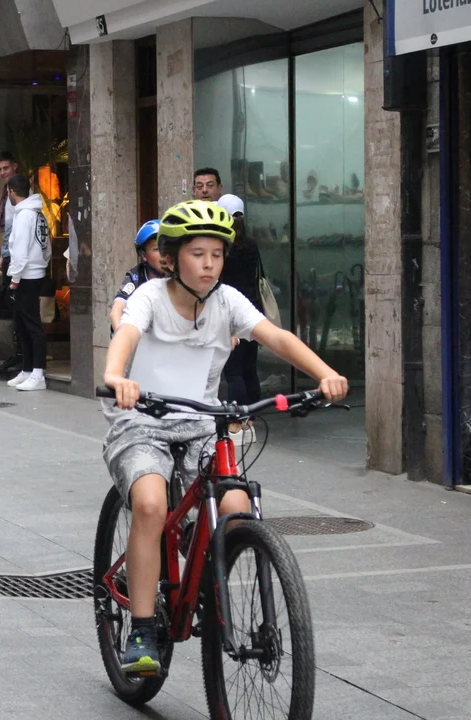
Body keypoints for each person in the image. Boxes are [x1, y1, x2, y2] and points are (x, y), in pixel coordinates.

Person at [102, 199, 348, 676]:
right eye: (197, 254)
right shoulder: (150, 296)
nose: (209, 264)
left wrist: (325, 374)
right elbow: (126, 335)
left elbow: (276, 337)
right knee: (151, 504)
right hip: (142, 420)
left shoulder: (227, 301)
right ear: (171, 257)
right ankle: (143, 628)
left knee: (236, 508)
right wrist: (116, 377)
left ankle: (199, 566)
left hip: (202, 422)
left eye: (216, 254)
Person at [216, 194, 263, 444]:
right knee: (248, 368)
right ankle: (250, 420)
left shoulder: (225, 247)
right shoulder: (251, 244)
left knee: (233, 372)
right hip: (253, 310)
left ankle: (235, 423)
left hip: (231, 312)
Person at [4, 173, 51, 392]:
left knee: (31, 324)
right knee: (22, 323)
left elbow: (20, 250)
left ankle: (38, 373)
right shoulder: (37, 214)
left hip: (26, 275)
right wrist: (42, 263)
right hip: (34, 271)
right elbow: (46, 245)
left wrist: (14, 279)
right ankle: (27, 369)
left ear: (11, 192)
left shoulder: (24, 216)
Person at [0, 150, 23, 375]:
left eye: (6, 168)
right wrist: (3, 256)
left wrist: (6, 256)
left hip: (17, 257)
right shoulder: (6, 192)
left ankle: (22, 356)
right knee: (13, 309)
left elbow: (14, 228)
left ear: (15, 166)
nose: (3, 172)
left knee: (19, 308)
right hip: (10, 254)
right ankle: (18, 353)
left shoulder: (16, 193)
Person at [109, 220, 165, 332]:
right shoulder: (136, 276)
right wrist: (123, 338)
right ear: (144, 255)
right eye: (156, 249)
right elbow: (116, 311)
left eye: (166, 247)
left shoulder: (179, 275)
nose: (163, 254)